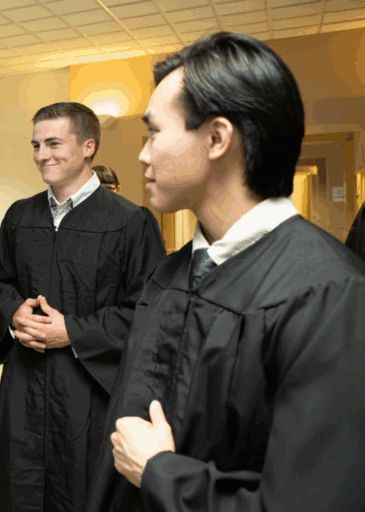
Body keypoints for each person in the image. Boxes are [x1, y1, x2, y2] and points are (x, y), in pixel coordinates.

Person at [88, 32, 365, 512]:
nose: (143, 155)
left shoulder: (329, 295)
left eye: (155, 132)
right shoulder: (170, 276)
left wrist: (160, 473)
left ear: (217, 138)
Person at [0, 102, 166, 512]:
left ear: (88, 147)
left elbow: (148, 312)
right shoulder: (20, 215)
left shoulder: (131, 222)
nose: (43, 155)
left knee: (80, 492)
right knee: (19, 488)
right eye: (36, 145)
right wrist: (13, 313)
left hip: (88, 390)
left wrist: (73, 332)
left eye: (54, 143)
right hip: (24, 384)